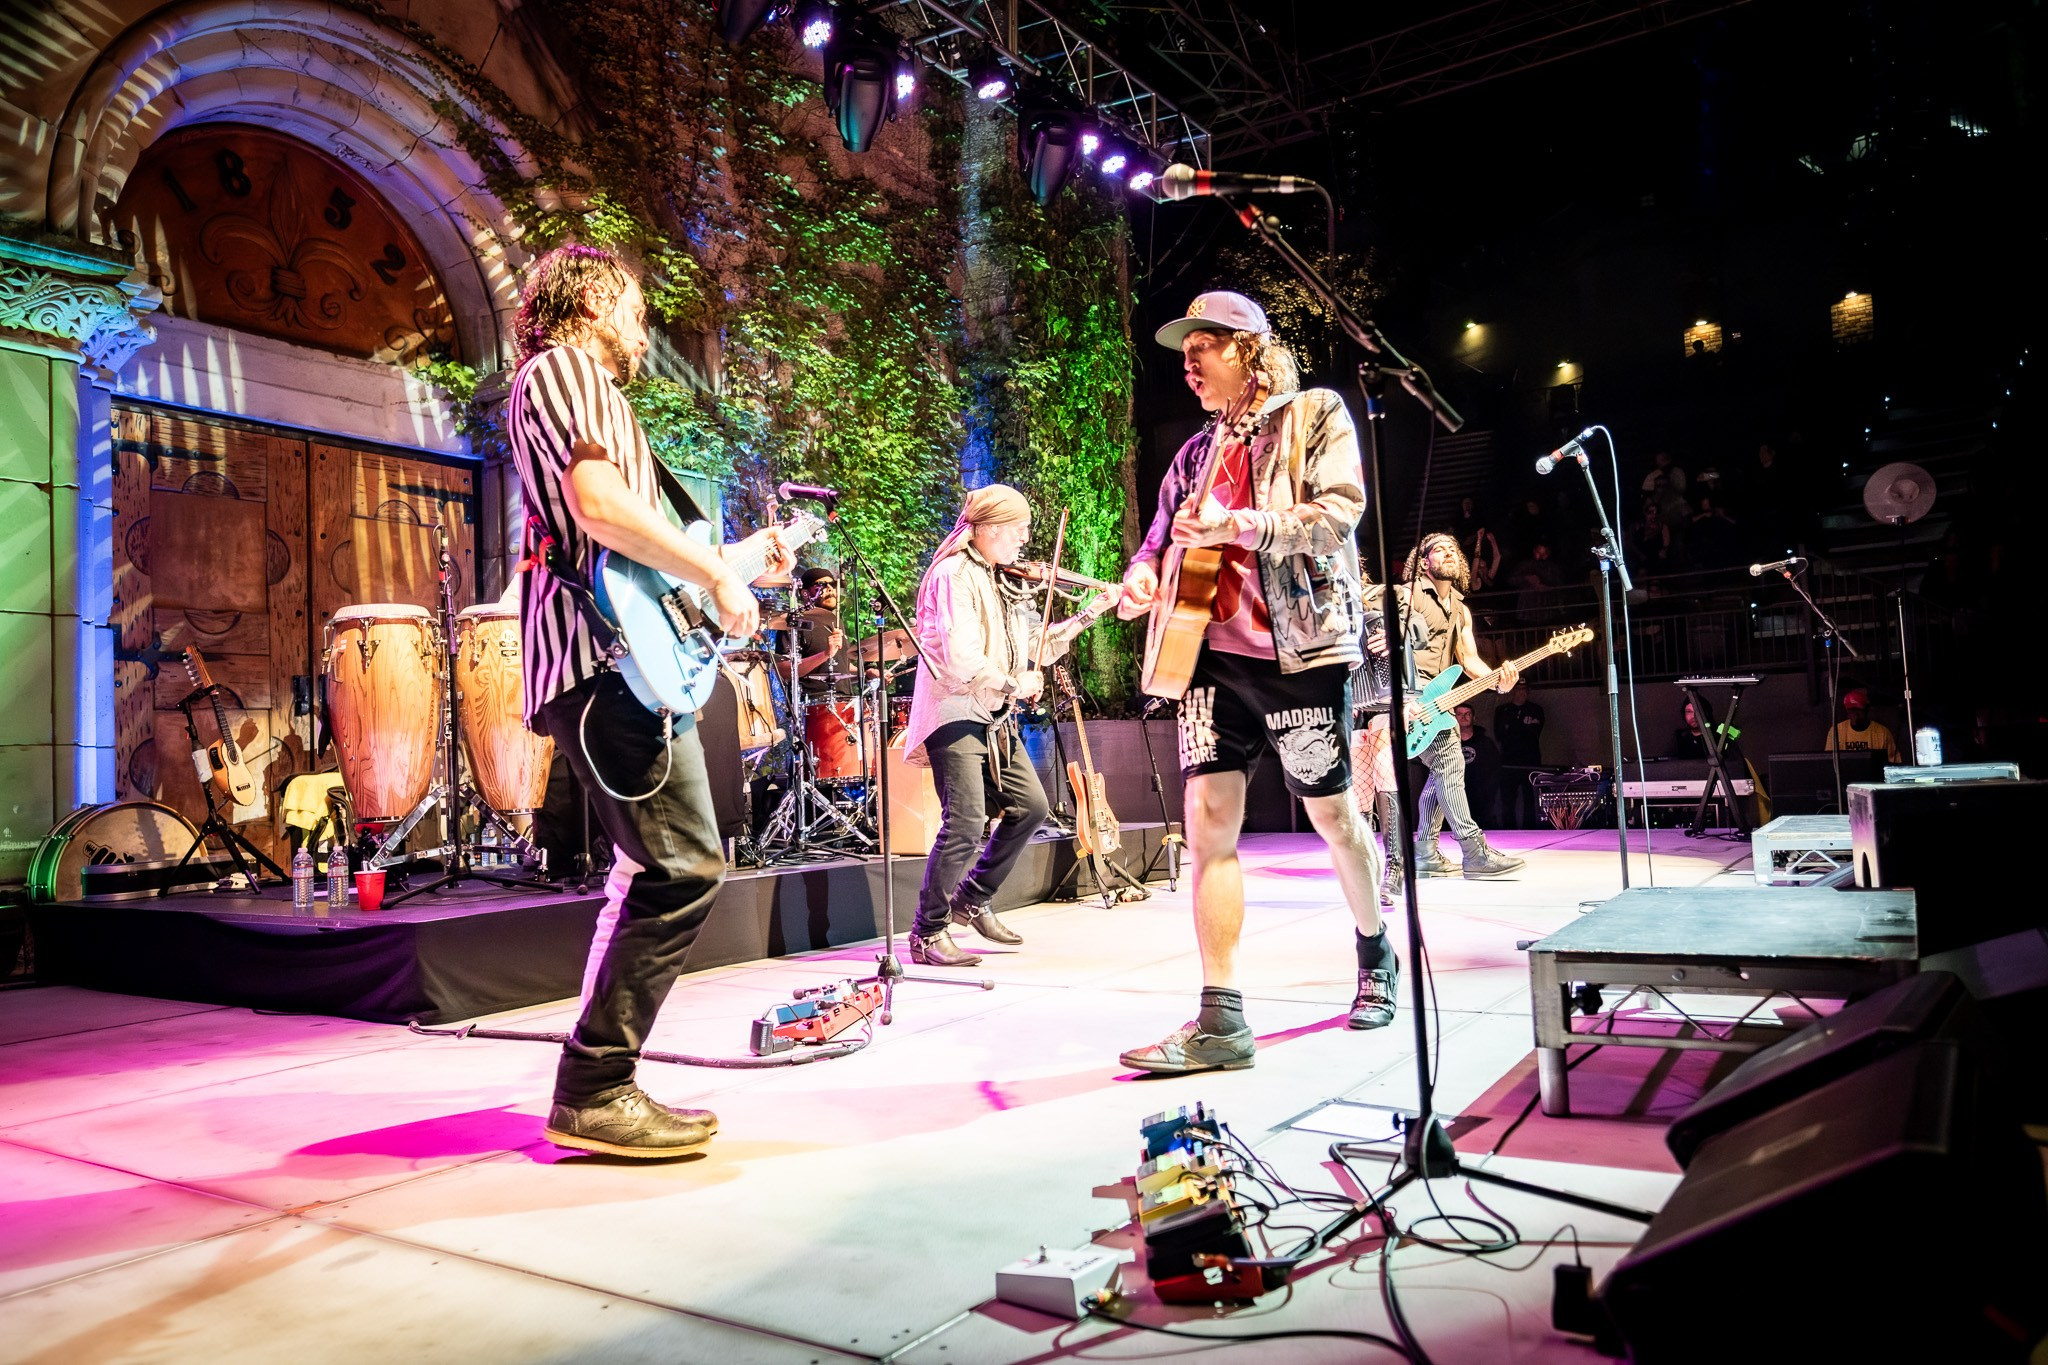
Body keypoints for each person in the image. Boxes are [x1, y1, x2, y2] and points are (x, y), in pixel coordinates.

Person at [509, 243, 792, 1158]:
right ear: (592, 301)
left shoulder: (591, 389)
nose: (642, 325)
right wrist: (715, 568)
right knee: (682, 868)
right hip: (598, 661)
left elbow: (636, 554)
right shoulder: (565, 369)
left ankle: (596, 1080)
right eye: (633, 304)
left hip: (621, 660)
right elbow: (596, 507)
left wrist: (735, 563)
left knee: (650, 870)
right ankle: (594, 1086)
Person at [1116, 289, 1396, 1075]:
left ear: (1246, 347)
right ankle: (1221, 1018)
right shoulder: (1196, 451)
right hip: (1207, 653)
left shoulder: (1315, 414)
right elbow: (1160, 538)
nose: (1188, 361)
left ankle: (1377, 953)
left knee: (1334, 814)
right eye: (1183, 350)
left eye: (1202, 345)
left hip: (1297, 652)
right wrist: (1142, 578)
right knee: (1209, 822)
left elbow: (1339, 511)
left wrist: (1242, 524)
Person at [900, 485, 1097, 966]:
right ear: (987, 530)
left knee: (1031, 807)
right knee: (964, 823)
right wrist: (1013, 683)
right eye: (1017, 530)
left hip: (991, 713)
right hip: (955, 710)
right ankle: (927, 933)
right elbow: (959, 657)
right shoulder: (953, 576)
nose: (1024, 540)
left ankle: (971, 898)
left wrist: (1091, 613)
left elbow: (1038, 645)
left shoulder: (998, 578)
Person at [1392, 532, 1527, 879]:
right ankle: (1473, 850)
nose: (1450, 553)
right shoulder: (1406, 596)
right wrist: (1400, 701)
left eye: (1454, 549)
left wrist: (1499, 679)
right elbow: (1383, 648)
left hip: (1441, 702)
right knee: (1451, 765)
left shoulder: (1460, 608)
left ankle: (1424, 852)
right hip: (1412, 701)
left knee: (1443, 776)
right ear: (1424, 562)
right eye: (1441, 549)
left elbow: (1468, 660)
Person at [1493, 680, 1545, 828]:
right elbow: (1500, 735)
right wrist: (1521, 727)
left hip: (1530, 761)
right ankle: (1509, 831)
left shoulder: (1536, 710)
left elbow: (1534, 733)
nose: (1521, 692)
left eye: (1524, 689)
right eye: (1518, 689)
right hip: (1508, 762)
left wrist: (1514, 728)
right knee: (1508, 799)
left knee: (1531, 798)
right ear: (1513, 691)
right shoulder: (1503, 710)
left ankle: (1531, 831)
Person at [792, 567, 850, 694]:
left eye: (833, 584)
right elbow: (784, 669)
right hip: (813, 704)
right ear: (805, 593)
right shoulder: (794, 622)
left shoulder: (837, 621)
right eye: (821, 585)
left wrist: (869, 673)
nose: (830, 588)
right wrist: (825, 654)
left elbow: (842, 666)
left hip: (845, 702)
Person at [1825, 687, 1902, 764]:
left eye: (1858, 710)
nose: (1855, 715)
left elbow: (1894, 763)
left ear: (1867, 710)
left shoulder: (1883, 733)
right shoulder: (1836, 731)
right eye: (1852, 711)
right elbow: (1828, 762)